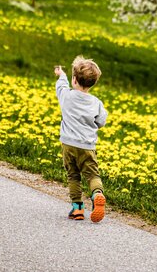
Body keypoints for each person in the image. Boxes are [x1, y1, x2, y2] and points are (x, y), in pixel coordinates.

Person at [54, 56, 108, 222]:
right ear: (93, 83)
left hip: (68, 145)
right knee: (92, 175)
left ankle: (77, 208)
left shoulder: (67, 96)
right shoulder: (96, 102)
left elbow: (61, 86)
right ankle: (97, 193)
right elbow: (101, 121)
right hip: (87, 146)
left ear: (74, 79)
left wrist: (61, 74)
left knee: (73, 176)